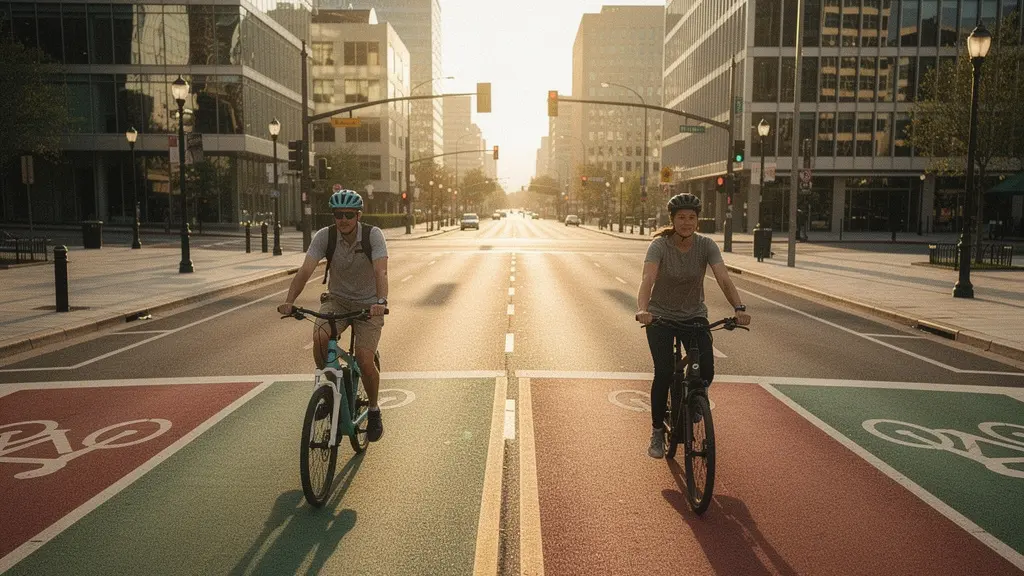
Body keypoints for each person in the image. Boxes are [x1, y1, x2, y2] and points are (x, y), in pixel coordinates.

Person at [635, 193, 751, 459]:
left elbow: (723, 278)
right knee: (664, 372)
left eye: (691, 218)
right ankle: (656, 431)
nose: (687, 223)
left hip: (694, 315)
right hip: (660, 317)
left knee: (706, 369)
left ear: (697, 220)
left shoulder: (706, 245)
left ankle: (695, 401)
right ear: (672, 220)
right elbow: (647, 279)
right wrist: (643, 310)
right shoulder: (659, 246)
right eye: (681, 218)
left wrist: (739, 308)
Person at [277, 189, 389, 441]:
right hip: (337, 300)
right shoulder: (324, 237)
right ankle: (330, 390)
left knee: (363, 357)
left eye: (349, 214)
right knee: (319, 335)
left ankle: (373, 410)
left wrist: (380, 301)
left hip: (368, 304)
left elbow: (381, 272)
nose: (344, 219)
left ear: (358, 215)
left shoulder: (373, 236)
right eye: (339, 215)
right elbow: (305, 270)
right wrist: (289, 301)